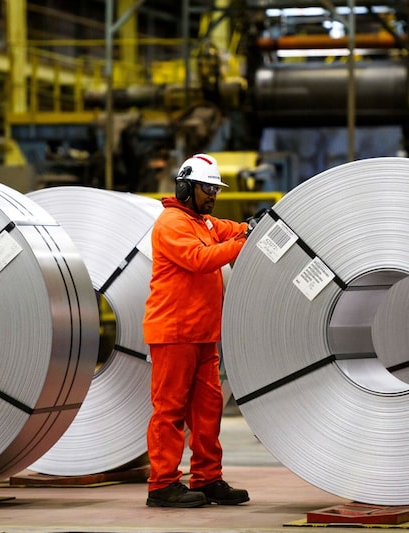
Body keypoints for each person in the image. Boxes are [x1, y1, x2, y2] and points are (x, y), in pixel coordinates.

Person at [143, 153, 252, 508]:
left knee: (208, 410)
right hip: (173, 333)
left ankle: (207, 477)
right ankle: (162, 485)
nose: (213, 196)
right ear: (185, 188)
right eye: (207, 189)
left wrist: (253, 228)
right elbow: (198, 259)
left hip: (203, 334)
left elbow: (232, 230)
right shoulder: (172, 223)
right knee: (170, 411)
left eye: (215, 190)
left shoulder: (203, 223)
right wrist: (242, 243)